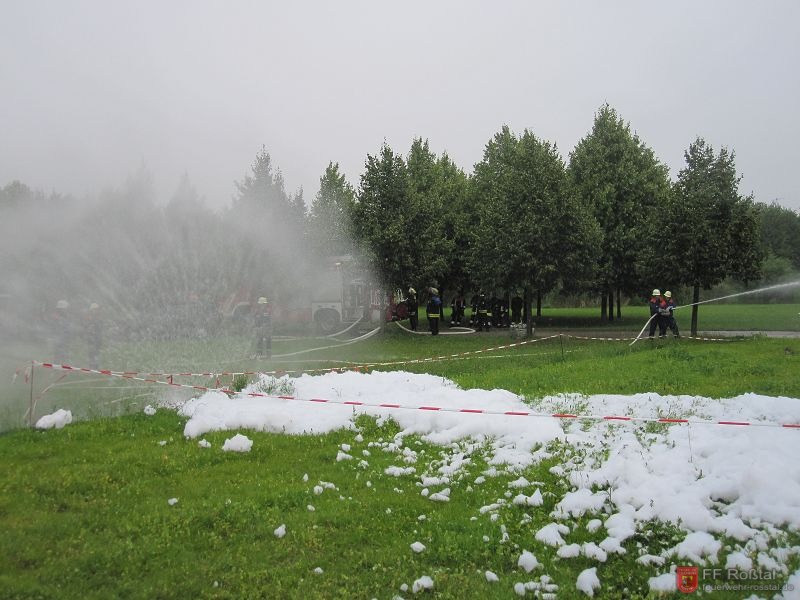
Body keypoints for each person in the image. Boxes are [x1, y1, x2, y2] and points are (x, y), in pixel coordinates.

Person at [52, 299, 72, 364]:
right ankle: (58, 366)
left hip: (63, 338)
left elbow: (67, 328)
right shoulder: (57, 317)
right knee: (59, 354)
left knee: (62, 354)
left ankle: (61, 366)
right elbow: (58, 328)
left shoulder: (65, 316)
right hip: (60, 338)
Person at [85, 302, 102, 370]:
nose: (95, 311)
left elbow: (100, 328)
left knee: (96, 353)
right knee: (91, 353)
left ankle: (96, 366)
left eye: (96, 309)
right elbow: (87, 327)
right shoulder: (89, 317)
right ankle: (91, 366)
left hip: (97, 338)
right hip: (91, 338)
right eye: (94, 309)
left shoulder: (99, 318)